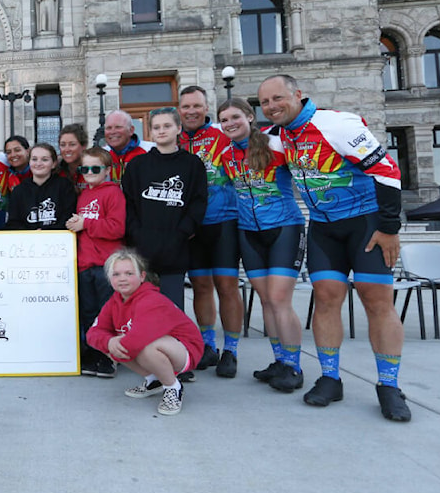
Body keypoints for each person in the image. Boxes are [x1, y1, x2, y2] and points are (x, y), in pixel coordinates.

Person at [258, 74, 410, 421]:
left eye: (278, 98)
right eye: (265, 103)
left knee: (376, 301)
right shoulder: (279, 137)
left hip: (367, 223)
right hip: (324, 227)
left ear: (297, 94)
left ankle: (389, 386)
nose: (271, 107)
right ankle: (330, 378)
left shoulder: (336, 124)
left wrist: (389, 228)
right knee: (325, 299)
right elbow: (239, 147)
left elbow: (387, 171)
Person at [218, 98, 306, 388]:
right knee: (267, 301)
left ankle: (294, 367)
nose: (230, 123)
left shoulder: (275, 144)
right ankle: (279, 360)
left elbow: (306, 171)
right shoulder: (226, 155)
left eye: (235, 117)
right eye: (224, 119)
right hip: (248, 231)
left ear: (249, 117)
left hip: (284, 227)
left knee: (280, 299)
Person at [85, 249, 203, 416]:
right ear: (110, 279)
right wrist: (109, 343)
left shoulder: (151, 299)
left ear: (142, 276)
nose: (122, 278)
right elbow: (93, 333)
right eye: (116, 274)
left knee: (144, 347)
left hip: (185, 350)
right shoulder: (114, 301)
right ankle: (154, 380)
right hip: (151, 345)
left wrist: (115, 344)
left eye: (129, 273)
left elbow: (138, 339)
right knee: (112, 343)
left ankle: (173, 387)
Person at [178, 85, 245, 376]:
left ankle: (231, 350)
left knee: (227, 287)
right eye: (186, 107)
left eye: (197, 106)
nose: (191, 111)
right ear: (179, 110)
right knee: (201, 287)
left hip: (224, 220)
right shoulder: (174, 138)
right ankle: (208, 346)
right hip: (192, 227)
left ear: (206, 108)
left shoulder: (222, 133)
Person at [121, 107, 207, 311]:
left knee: (172, 309)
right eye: (156, 127)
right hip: (142, 249)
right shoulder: (137, 165)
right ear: (150, 131)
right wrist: (136, 233)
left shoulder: (192, 164)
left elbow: (198, 202)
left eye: (167, 126)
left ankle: (174, 343)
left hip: (175, 249)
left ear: (178, 128)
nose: (161, 131)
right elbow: (128, 203)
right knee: (141, 308)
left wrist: (183, 232)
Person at [66, 147, 126, 378]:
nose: (89, 172)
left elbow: (117, 228)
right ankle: (94, 354)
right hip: (85, 264)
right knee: (89, 312)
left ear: (107, 170)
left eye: (95, 168)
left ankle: (110, 357)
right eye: (85, 168)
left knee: (107, 313)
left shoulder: (113, 193)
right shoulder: (83, 195)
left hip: (106, 265)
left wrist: (86, 224)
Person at [6, 143, 76, 230]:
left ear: (54, 163)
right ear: (29, 162)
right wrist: (33, 233)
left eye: (45, 160)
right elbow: (13, 222)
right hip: (27, 241)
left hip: (57, 240)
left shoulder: (65, 186)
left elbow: (69, 217)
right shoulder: (19, 190)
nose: (38, 163)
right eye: (34, 159)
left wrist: (45, 232)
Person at [103, 110, 151, 182]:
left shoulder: (150, 151)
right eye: (108, 128)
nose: (112, 132)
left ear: (131, 130)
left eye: (118, 127)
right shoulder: (101, 154)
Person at [56, 124, 89, 192]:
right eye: (63, 145)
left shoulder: (93, 170)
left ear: (84, 146)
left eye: (72, 144)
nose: (67, 149)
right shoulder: (55, 171)